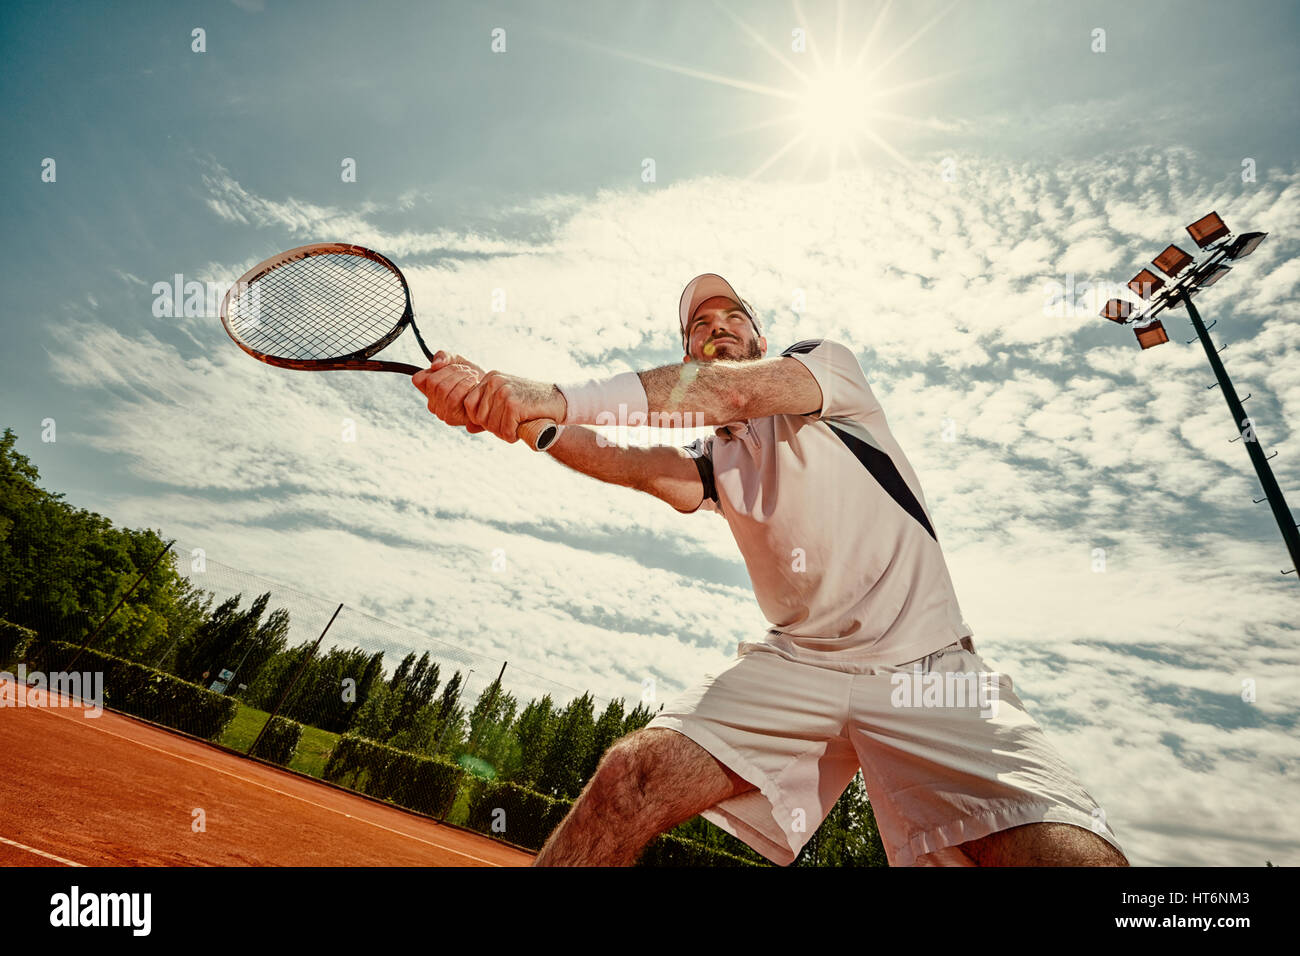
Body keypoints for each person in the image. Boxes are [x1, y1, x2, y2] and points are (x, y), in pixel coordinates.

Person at [412, 273, 1129, 867]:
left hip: (926, 668)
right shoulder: (715, 465)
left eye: (732, 315)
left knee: (1069, 859)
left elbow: (726, 393)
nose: (716, 325)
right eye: (699, 324)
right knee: (631, 776)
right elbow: (627, 462)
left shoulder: (824, 371)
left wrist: (550, 394)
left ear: (757, 337)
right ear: (686, 345)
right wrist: (521, 419)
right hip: (798, 666)